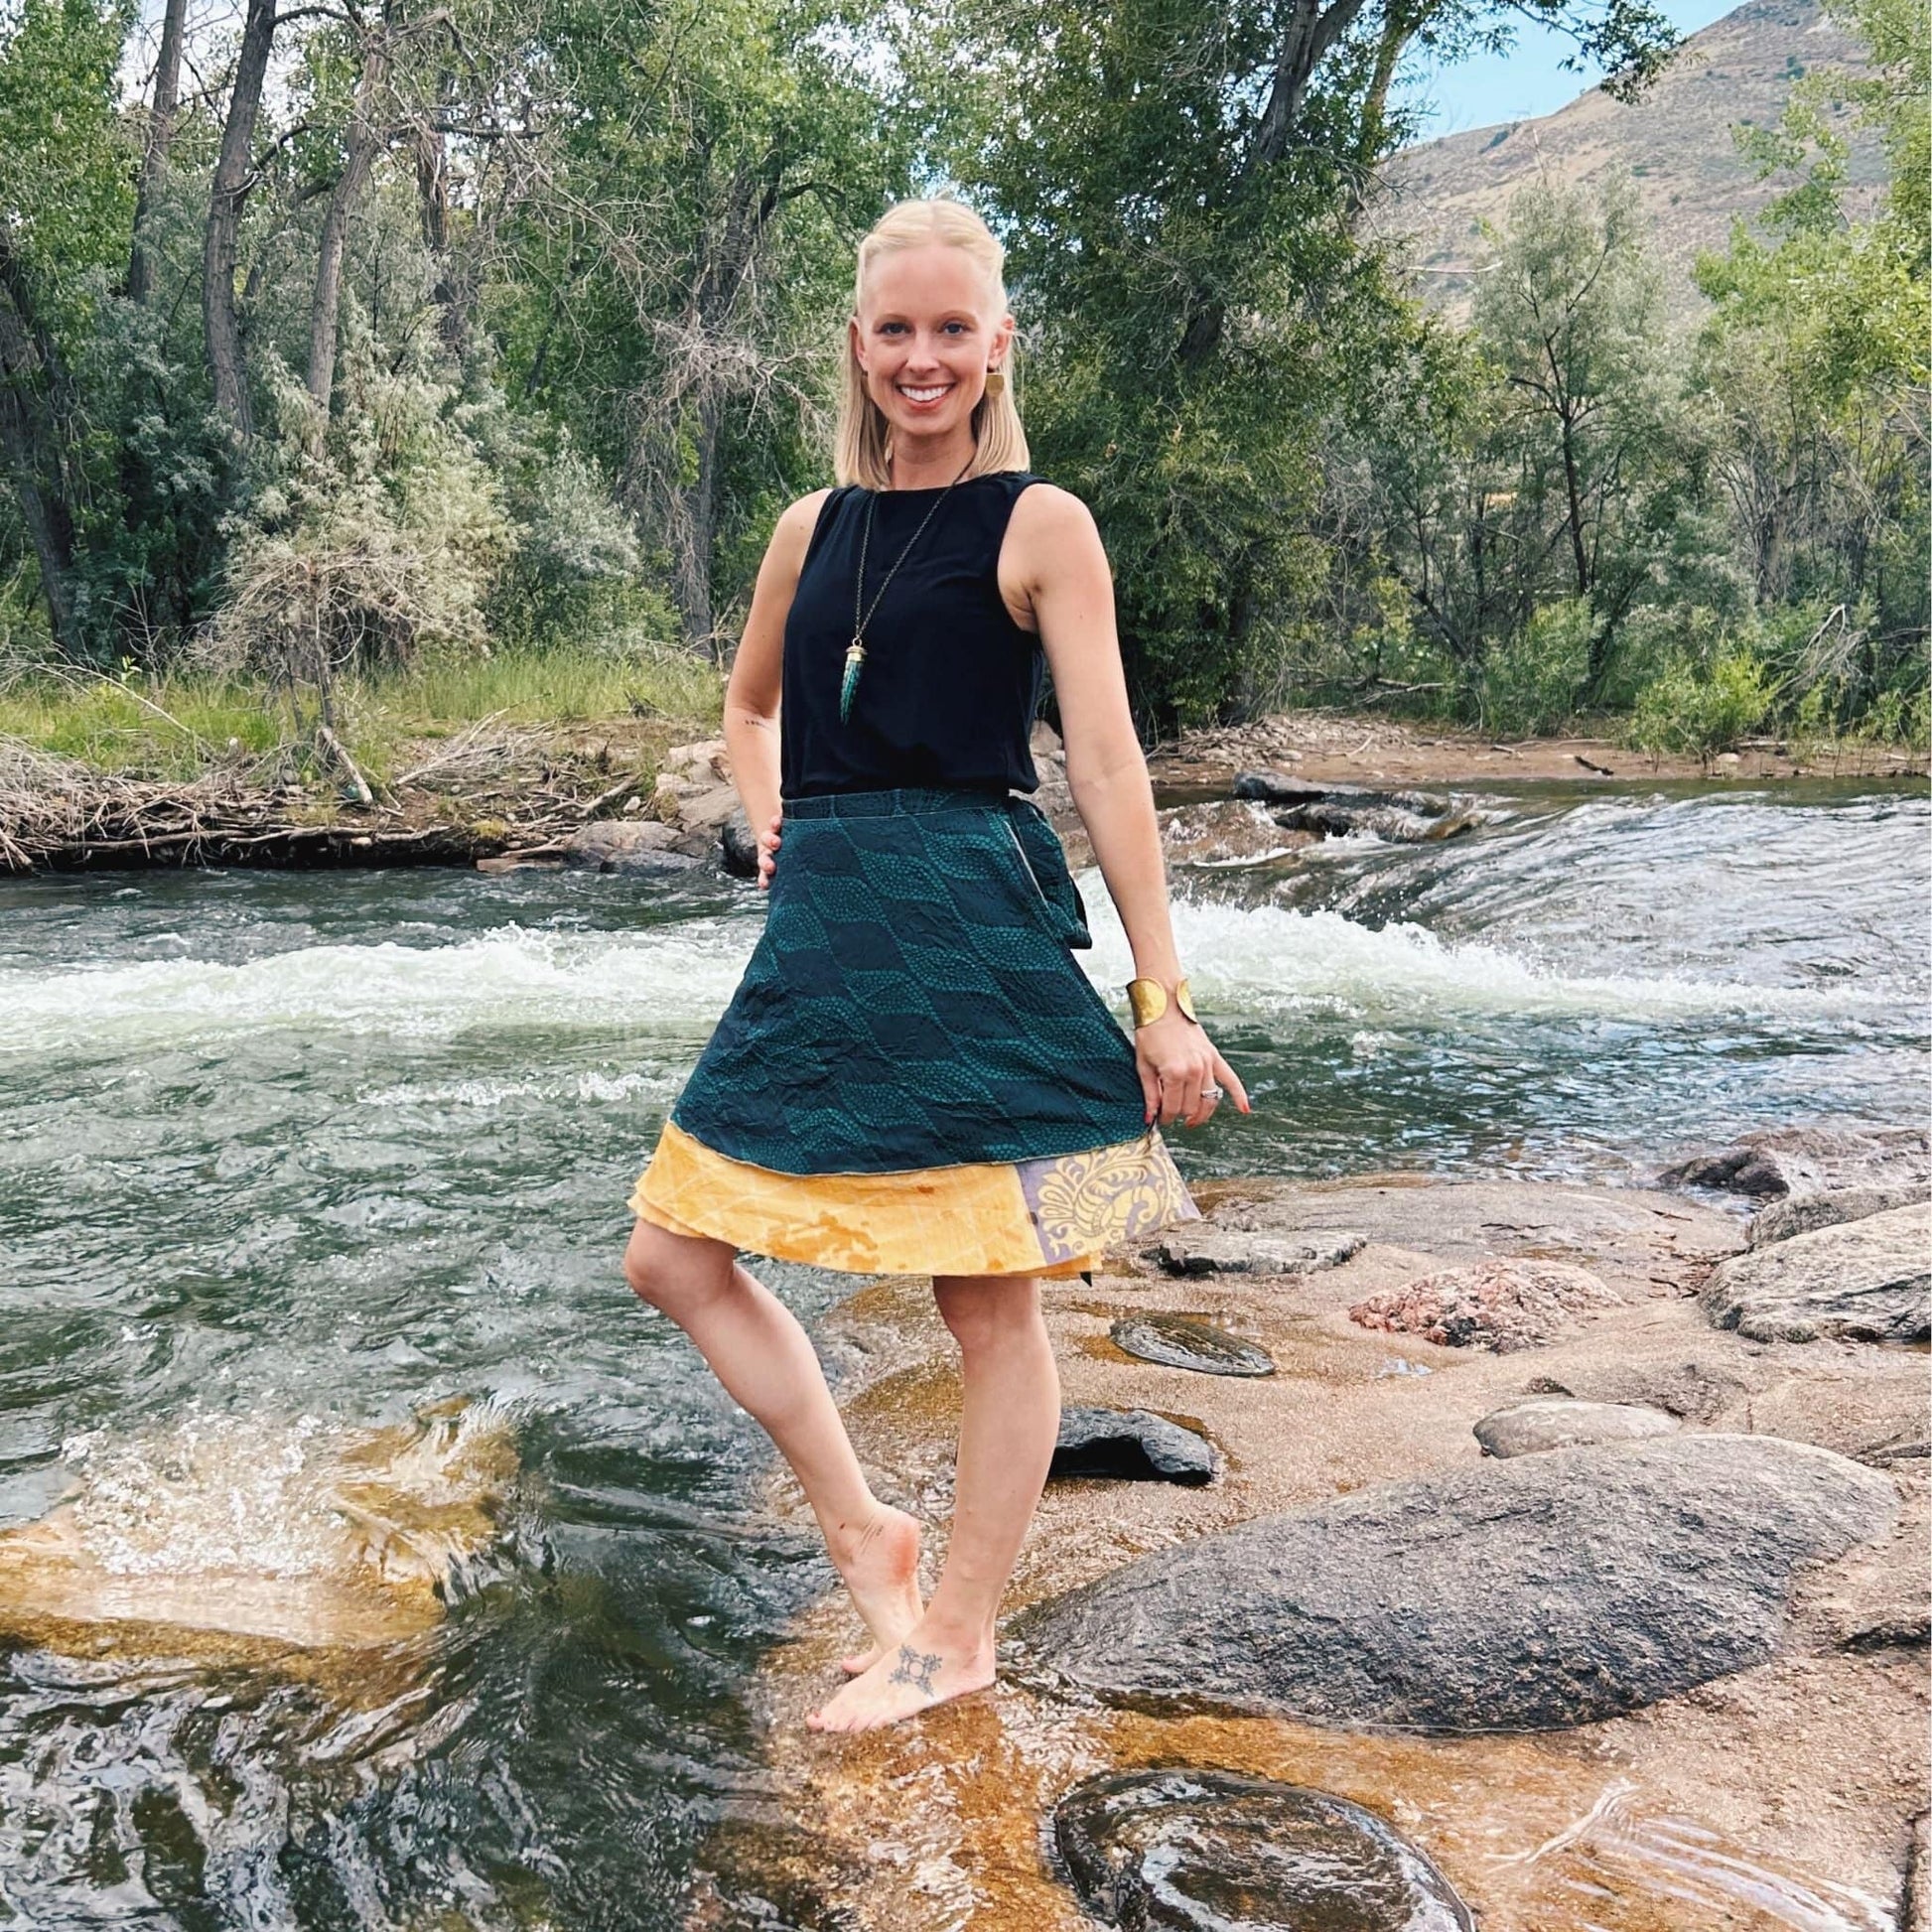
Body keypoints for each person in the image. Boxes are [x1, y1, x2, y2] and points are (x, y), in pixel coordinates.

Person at [622, 196, 1249, 1735]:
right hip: (829, 919)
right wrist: (771, 825)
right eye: (895, 330)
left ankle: (956, 1631)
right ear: (858, 344)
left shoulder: (1041, 524)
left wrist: (1160, 995)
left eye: (950, 329)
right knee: (670, 1252)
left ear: (995, 344)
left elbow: (1105, 760)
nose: (922, 357)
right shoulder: (809, 529)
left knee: (986, 1309)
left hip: (968, 915)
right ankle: (862, 1531)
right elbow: (749, 706)